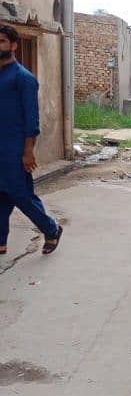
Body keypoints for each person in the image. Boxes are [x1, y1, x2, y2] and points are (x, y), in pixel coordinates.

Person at [0, 24, 62, 256]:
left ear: (14, 45)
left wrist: (28, 151)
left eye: (2, 41)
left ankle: (52, 228)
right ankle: (1, 241)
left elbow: (31, 117)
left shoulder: (23, 78)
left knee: (21, 195)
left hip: (15, 150)